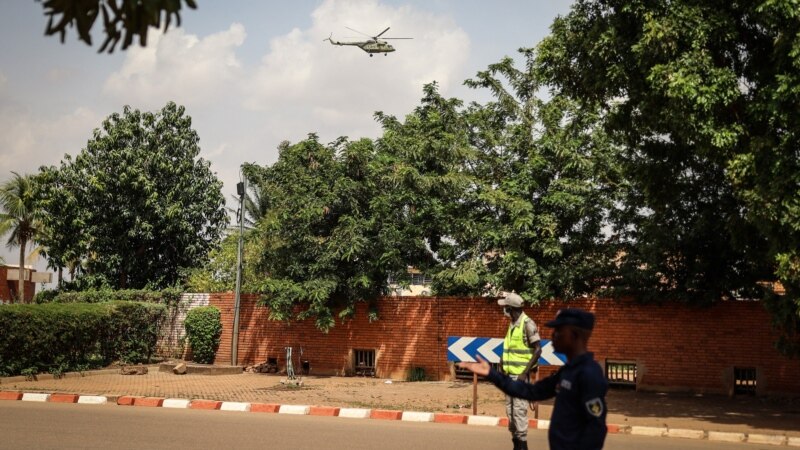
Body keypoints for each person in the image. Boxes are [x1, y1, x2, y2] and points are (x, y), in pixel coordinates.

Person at [460, 308, 607, 450]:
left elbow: (596, 427)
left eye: (559, 331)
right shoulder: (567, 371)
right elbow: (531, 391)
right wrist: (492, 374)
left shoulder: (588, 373)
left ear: (574, 335)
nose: (553, 335)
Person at [498, 291, 542, 450]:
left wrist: (524, 373)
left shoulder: (527, 324)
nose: (504, 309)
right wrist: (502, 361)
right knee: (510, 415)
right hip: (509, 377)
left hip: (520, 378)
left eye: (506, 307)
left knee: (519, 414)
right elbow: (512, 348)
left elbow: (538, 350)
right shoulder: (512, 324)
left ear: (511, 308)